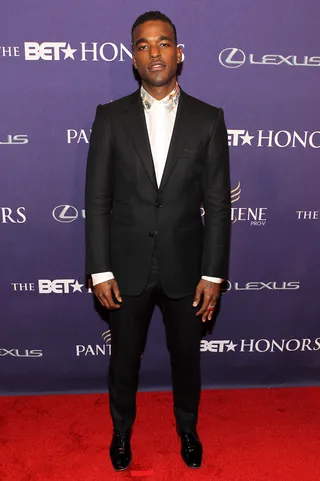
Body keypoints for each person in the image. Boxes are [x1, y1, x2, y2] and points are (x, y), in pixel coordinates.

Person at [85, 11, 231, 471]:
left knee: (186, 360)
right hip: (125, 267)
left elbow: (218, 204)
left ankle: (187, 429)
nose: (155, 53)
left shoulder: (209, 119)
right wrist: (100, 268)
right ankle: (121, 432)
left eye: (163, 43)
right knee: (123, 360)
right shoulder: (109, 117)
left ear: (179, 53)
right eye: (144, 45)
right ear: (133, 58)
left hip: (187, 269)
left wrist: (213, 273)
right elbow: (98, 198)